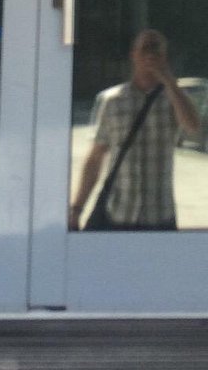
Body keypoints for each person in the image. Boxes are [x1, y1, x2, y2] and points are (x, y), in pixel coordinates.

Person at [69, 29, 199, 230]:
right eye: (145, 48)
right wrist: (77, 209)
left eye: (156, 49)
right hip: (118, 214)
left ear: (165, 57)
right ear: (134, 55)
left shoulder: (174, 99)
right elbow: (95, 158)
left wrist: (168, 80)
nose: (150, 54)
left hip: (159, 216)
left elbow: (192, 127)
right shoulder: (112, 101)